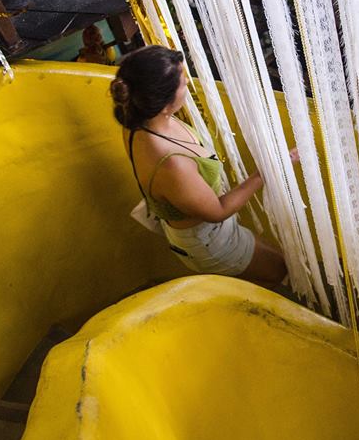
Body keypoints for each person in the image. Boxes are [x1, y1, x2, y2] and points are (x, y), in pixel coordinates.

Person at [110, 45, 293, 286]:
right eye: (183, 82)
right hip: (209, 241)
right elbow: (217, 211)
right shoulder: (172, 165)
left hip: (208, 233)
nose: (187, 82)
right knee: (280, 271)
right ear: (163, 104)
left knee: (278, 261)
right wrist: (268, 172)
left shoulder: (138, 121)